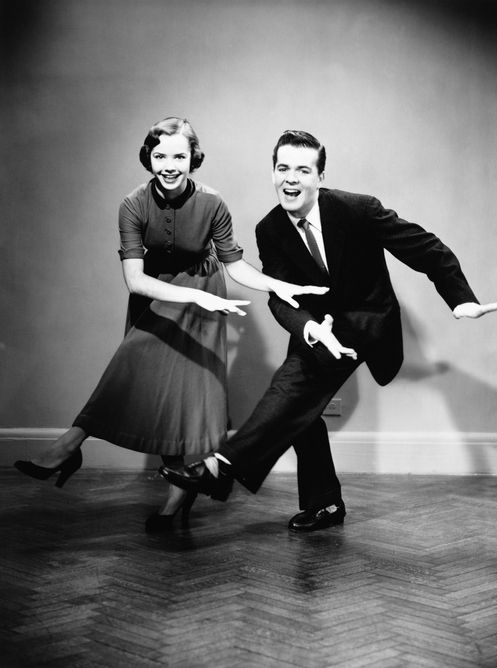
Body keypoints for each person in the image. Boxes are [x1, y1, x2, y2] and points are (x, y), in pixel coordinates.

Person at [160, 129, 497, 532]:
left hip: (367, 319)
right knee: (299, 407)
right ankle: (324, 504)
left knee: (295, 384)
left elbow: (423, 246)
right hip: (316, 326)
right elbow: (279, 295)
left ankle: (222, 465)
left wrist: (459, 297)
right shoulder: (269, 230)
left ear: (320, 177)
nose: (290, 178)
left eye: (302, 170)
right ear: (273, 172)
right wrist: (308, 327)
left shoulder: (357, 209)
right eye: (282, 168)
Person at [14, 119, 327, 532]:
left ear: (192, 159)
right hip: (159, 296)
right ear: (149, 157)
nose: (169, 165)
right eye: (160, 156)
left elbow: (233, 264)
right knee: (138, 379)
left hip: (202, 292)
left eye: (179, 156)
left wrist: (276, 285)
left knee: (183, 403)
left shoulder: (213, 202)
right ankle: (74, 447)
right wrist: (195, 296)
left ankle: (150, 489)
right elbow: (135, 279)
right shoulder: (133, 204)